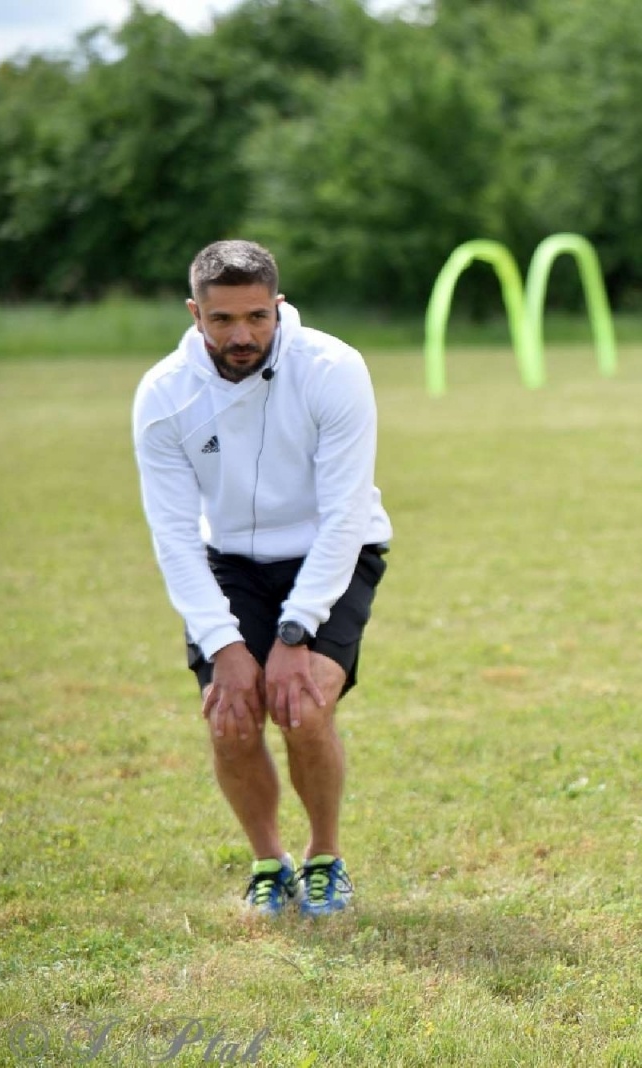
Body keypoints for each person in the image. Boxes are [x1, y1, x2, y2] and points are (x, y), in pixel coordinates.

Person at [132, 240, 393, 917]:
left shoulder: (333, 369)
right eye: (223, 320)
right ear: (196, 315)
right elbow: (175, 535)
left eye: (256, 317)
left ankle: (325, 858)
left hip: (332, 550)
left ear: (278, 307)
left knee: (303, 709)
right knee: (230, 721)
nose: (242, 335)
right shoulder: (164, 395)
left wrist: (294, 633)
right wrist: (225, 648)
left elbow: (342, 516)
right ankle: (268, 863)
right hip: (231, 561)